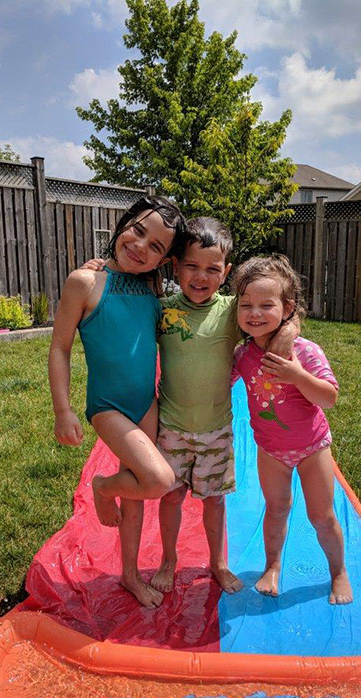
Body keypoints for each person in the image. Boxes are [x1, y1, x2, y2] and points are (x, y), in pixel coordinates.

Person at [48, 196, 186, 608]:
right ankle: (102, 487)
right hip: (108, 406)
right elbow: (60, 348)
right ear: (123, 223)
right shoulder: (84, 282)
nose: (142, 246)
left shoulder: (151, 286)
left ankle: (129, 575)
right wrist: (63, 409)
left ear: (164, 261)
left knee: (140, 488)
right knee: (159, 480)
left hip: (147, 402)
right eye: (138, 231)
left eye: (157, 247)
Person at [149, 219, 298, 595]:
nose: (201, 276)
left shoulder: (234, 311)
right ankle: (169, 559)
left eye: (212, 269)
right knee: (171, 496)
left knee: (214, 501)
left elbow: (284, 313)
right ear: (175, 266)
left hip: (216, 429)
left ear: (226, 272)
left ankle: (217, 563)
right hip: (171, 427)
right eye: (192, 266)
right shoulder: (162, 310)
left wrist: (290, 333)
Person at [231, 255, 353, 605]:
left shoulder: (304, 351)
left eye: (265, 305)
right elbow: (225, 381)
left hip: (312, 447)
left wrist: (297, 375)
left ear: (287, 308)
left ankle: (338, 571)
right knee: (277, 508)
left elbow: (329, 398)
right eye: (246, 305)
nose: (254, 313)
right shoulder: (243, 354)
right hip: (271, 450)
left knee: (322, 516)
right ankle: (272, 566)